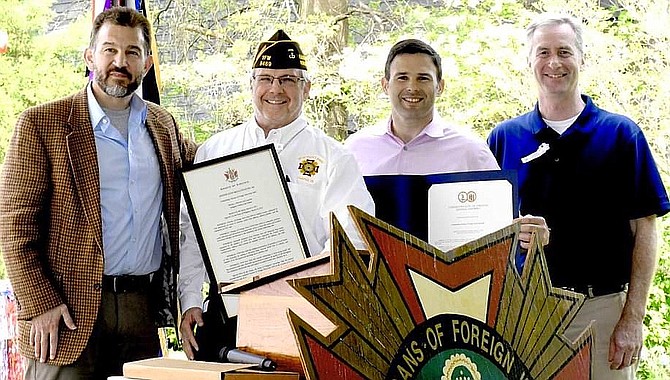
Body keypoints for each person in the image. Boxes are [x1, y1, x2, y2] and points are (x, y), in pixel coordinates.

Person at [0, 7, 196, 380]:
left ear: (148, 63)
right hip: (64, 315)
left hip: (142, 312)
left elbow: (213, 170)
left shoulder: (163, 125)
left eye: (132, 53)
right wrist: (40, 303)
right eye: (110, 50)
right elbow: (13, 228)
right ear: (90, 56)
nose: (120, 62)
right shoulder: (43, 124)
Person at [487, 13, 670, 379]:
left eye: (564, 52)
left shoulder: (621, 134)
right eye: (543, 52)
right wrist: (514, 233)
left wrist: (633, 318)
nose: (554, 63)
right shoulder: (504, 138)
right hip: (525, 317)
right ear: (529, 62)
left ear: (582, 59)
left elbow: (647, 231)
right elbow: (484, 231)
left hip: (601, 314)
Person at [178, 29, 375, 360]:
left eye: (287, 79)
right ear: (251, 85)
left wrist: (302, 296)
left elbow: (351, 239)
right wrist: (190, 301)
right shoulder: (214, 150)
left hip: (302, 312)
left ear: (306, 87)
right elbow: (192, 233)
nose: (275, 89)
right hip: (227, 314)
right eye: (265, 78)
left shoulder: (334, 158)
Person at [345, 38, 548, 252]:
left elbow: (503, 230)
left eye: (423, 78)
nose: (412, 87)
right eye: (402, 77)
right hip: (371, 280)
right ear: (385, 85)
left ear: (440, 86)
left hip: (453, 282)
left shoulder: (471, 151)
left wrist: (530, 233)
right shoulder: (354, 150)